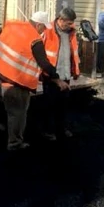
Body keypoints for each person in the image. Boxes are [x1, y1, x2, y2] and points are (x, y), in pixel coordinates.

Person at [0, 11, 68, 151]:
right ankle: (15, 144)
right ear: (39, 25)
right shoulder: (35, 40)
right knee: (17, 112)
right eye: (43, 27)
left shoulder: (12, 25)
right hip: (13, 81)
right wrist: (57, 79)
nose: (44, 30)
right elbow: (44, 63)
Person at [41, 8, 81, 140]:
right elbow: (40, 53)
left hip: (65, 74)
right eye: (68, 23)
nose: (71, 26)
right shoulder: (48, 31)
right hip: (51, 75)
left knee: (63, 105)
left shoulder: (71, 33)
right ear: (60, 19)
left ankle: (61, 129)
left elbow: (73, 52)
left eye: (72, 23)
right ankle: (48, 130)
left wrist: (75, 71)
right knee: (49, 104)